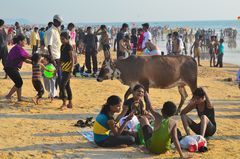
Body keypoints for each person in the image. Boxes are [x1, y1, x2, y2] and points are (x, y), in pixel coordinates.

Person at [138, 93, 186, 158]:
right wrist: (181, 155)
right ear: (173, 114)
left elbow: (150, 107)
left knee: (143, 121)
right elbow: (175, 139)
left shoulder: (158, 117)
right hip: (164, 150)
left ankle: (145, 146)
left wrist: (146, 96)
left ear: (162, 110)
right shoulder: (174, 122)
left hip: (152, 149)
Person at [4, 34, 31, 101]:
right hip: (10, 68)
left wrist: (35, 62)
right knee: (19, 82)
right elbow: (29, 57)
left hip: (11, 67)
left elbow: (25, 59)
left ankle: (19, 98)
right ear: (20, 41)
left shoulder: (18, 48)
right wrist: (39, 57)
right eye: (24, 41)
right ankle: (8, 96)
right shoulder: (18, 48)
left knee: (18, 82)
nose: (25, 42)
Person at [46, 15, 63, 96]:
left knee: (58, 76)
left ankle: (55, 93)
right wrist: (52, 58)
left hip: (58, 55)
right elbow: (49, 45)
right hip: (54, 56)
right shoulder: (51, 31)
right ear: (55, 21)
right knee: (56, 76)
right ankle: (54, 93)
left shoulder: (56, 30)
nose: (60, 23)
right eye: (59, 22)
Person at [59, 32, 74, 109]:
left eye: (63, 39)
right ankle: (70, 103)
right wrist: (58, 67)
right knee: (67, 86)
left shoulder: (69, 47)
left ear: (67, 39)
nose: (61, 40)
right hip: (63, 68)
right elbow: (61, 58)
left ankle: (64, 103)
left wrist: (71, 70)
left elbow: (72, 59)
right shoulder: (62, 46)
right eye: (60, 39)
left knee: (62, 85)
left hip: (68, 69)